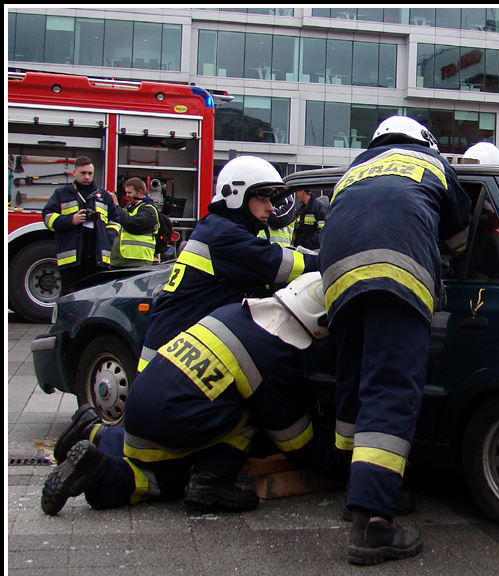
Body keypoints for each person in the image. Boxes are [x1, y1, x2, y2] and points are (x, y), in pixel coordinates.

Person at [42, 273, 343, 515]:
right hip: (169, 422)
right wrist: (345, 468)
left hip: (141, 401)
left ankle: (92, 431)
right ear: (318, 326)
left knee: (152, 443)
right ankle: (106, 475)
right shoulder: (274, 358)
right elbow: (295, 442)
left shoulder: (237, 311)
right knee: (166, 476)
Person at [318, 115, 471, 565]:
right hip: (396, 276)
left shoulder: (354, 169)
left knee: (355, 385)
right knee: (389, 390)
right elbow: (460, 239)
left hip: (338, 280)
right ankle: (375, 524)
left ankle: (358, 493)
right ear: (424, 140)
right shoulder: (432, 163)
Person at [137, 156, 318, 372]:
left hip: (182, 355)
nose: (271, 208)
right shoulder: (223, 235)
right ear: (236, 196)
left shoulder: (221, 228)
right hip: (170, 367)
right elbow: (278, 263)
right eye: (262, 199)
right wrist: (331, 259)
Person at [42, 156, 121, 294]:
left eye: (90, 173)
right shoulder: (62, 194)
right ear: (74, 173)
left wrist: (108, 239)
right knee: (69, 297)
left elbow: (115, 220)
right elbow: (47, 217)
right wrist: (71, 220)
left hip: (98, 259)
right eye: (83, 173)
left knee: (94, 298)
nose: (87, 177)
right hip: (71, 259)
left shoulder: (103, 195)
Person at [110, 177, 159, 268]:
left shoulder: (149, 210)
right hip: (121, 262)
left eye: (129, 192)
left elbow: (131, 224)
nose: (127, 196)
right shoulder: (129, 209)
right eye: (126, 193)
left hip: (137, 262)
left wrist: (116, 206)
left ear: (140, 192)